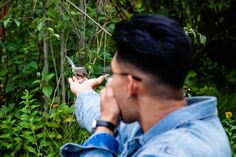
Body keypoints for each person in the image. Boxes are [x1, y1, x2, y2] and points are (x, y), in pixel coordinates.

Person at [60, 15, 231, 157]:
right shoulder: (163, 120)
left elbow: (106, 121)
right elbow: (109, 120)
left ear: (131, 84)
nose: (110, 83)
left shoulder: (170, 152)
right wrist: (84, 93)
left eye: (113, 74)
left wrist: (105, 126)